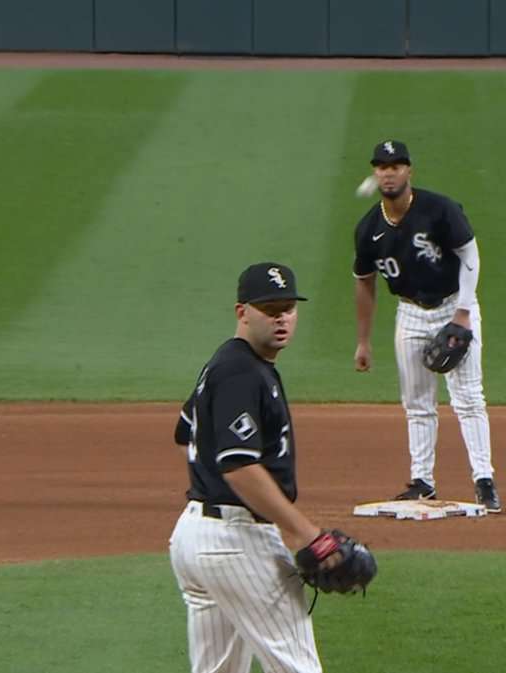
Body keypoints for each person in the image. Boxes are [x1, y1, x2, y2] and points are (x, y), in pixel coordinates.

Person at [169, 262, 352, 673]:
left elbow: (185, 429)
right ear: (243, 312)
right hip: (236, 542)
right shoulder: (241, 371)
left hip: (197, 537)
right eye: (270, 309)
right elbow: (238, 466)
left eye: (288, 308)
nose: (282, 318)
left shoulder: (227, 363)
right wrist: (310, 535)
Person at [352, 140, 501, 512]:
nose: (389, 172)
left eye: (396, 165)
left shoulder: (439, 209)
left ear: (409, 171)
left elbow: (470, 254)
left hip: (454, 306)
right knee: (417, 403)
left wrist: (464, 313)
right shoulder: (368, 229)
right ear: (375, 172)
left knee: (468, 398)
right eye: (382, 166)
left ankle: (484, 480)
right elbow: (364, 281)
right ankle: (423, 481)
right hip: (410, 314)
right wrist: (363, 342)